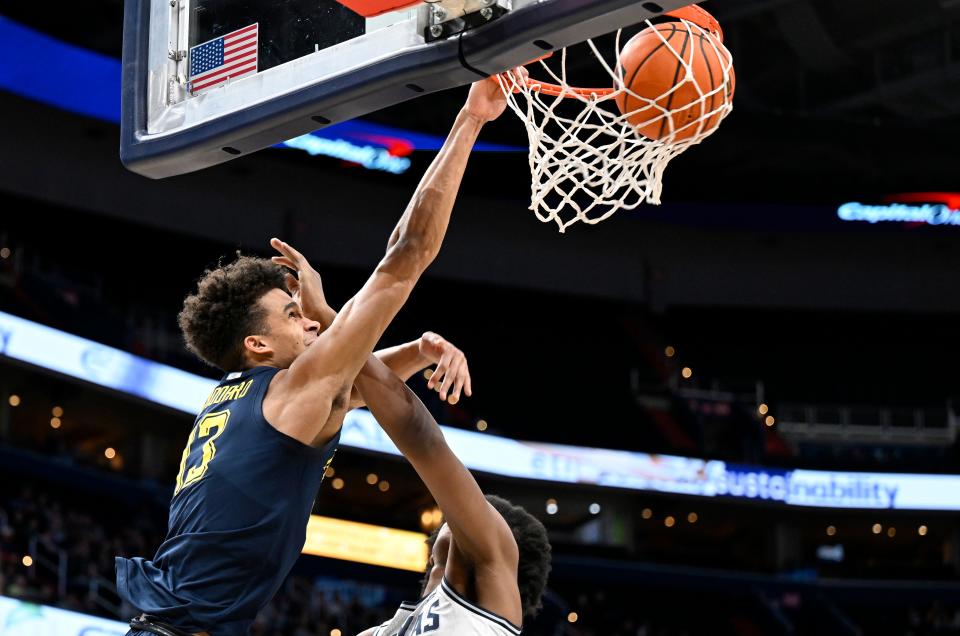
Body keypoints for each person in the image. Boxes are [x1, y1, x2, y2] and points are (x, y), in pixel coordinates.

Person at [116, 77, 507, 636]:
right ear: (258, 344)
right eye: (291, 312)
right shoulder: (290, 392)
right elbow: (406, 258)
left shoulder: (237, 399)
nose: (307, 319)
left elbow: (347, 389)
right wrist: (470, 119)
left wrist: (417, 351)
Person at [350, 352, 552, 636]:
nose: (460, 513)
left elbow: (423, 440)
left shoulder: (489, 615)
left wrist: (341, 331)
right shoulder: (382, 632)